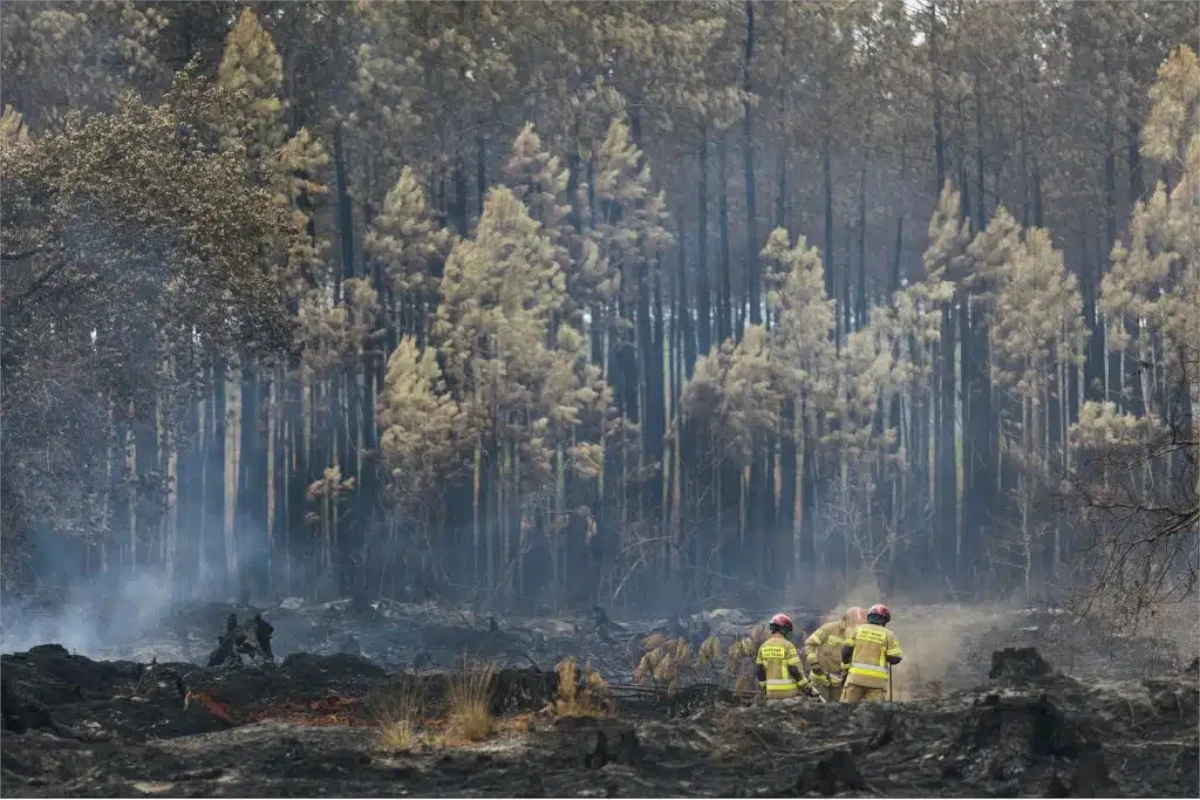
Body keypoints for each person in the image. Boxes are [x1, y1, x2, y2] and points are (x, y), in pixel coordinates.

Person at [839, 603, 902, 704]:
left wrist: (846, 670)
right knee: (874, 710)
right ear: (885, 620)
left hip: (855, 679)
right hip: (877, 682)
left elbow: (845, 652)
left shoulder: (857, 630)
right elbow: (895, 659)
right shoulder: (889, 635)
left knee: (845, 708)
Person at [805, 606, 867, 702]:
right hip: (820, 678)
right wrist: (814, 663)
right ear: (847, 620)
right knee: (817, 707)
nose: (857, 628)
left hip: (839, 683)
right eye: (855, 624)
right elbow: (810, 643)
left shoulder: (860, 636)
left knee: (835, 709)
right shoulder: (829, 628)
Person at [756, 613, 816, 701]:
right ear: (784, 629)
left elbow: (759, 670)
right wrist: (805, 686)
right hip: (789, 693)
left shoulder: (763, 647)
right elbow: (794, 669)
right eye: (788, 630)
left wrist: (764, 687)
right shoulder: (788, 646)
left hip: (771, 693)